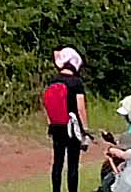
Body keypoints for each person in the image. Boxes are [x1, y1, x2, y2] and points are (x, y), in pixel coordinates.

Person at [41, 48, 87, 192]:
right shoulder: (76, 83)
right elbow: (80, 108)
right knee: (73, 164)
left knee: (57, 162)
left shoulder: (53, 80)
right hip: (72, 127)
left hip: (56, 126)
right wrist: (85, 130)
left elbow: (47, 104)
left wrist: (51, 122)